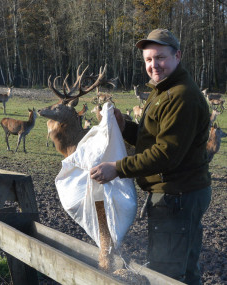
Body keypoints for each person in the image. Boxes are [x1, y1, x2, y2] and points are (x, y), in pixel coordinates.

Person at [90, 28, 211, 285]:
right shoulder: (162, 90)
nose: (153, 65)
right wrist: (124, 127)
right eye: (148, 59)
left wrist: (118, 168)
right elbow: (154, 138)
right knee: (185, 272)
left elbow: (166, 154)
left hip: (177, 196)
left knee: (166, 274)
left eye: (160, 58)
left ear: (177, 55)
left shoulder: (181, 96)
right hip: (177, 194)